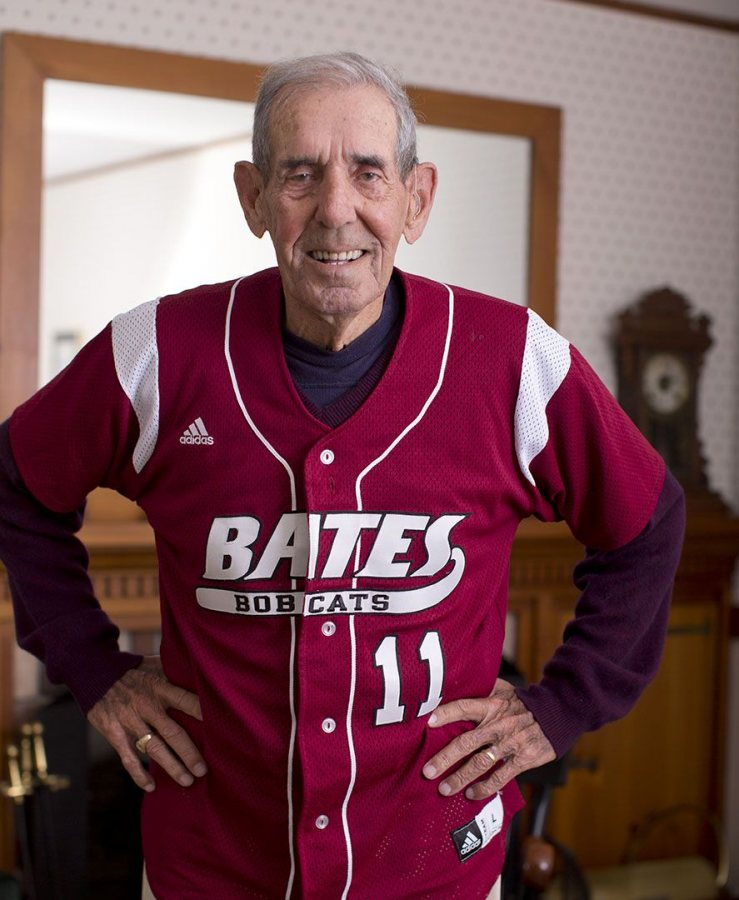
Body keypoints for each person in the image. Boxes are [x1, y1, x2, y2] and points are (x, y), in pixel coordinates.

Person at [0, 52, 684, 899]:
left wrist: (563, 705)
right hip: (211, 862)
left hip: (435, 861)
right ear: (253, 198)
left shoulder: (511, 360)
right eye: (299, 174)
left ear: (415, 198)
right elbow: (16, 481)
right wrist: (90, 664)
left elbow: (648, 521)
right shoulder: (156, 351)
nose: (335, 210)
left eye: (367, 173)